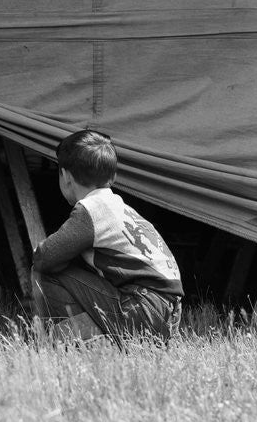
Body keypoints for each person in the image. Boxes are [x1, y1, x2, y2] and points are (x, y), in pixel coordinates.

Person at [31, 130, 183, 342]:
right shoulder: (120, 207)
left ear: (65, 176)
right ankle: (122, 341)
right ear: (112, 176)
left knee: (45, 272)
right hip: (169, 314)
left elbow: (44, 257)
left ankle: (86, 345)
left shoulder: (92, 209)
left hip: (143, 309)